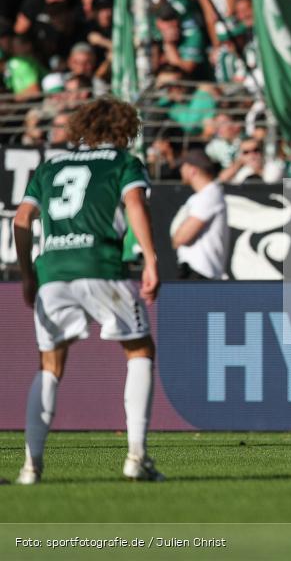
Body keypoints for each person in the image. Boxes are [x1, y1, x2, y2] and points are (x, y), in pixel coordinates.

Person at [12, 97, 163, 484]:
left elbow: (22, 219)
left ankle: (30, 467)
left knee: (49, 365)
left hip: (53, 271)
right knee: (140, 350)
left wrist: (28, 274)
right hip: (101, 263)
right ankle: (136, 456)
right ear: (124, 129)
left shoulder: (50, 166)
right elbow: (134, 203)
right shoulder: (123, 163)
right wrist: (150, 258)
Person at [174, 150, 230, 280]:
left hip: (201, 272)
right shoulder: (204, 195)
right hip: (196, 271)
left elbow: (181, 238)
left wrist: (176, 237)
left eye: (183, 166)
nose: (180, 170)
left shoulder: (209, 195)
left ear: (193, 170)